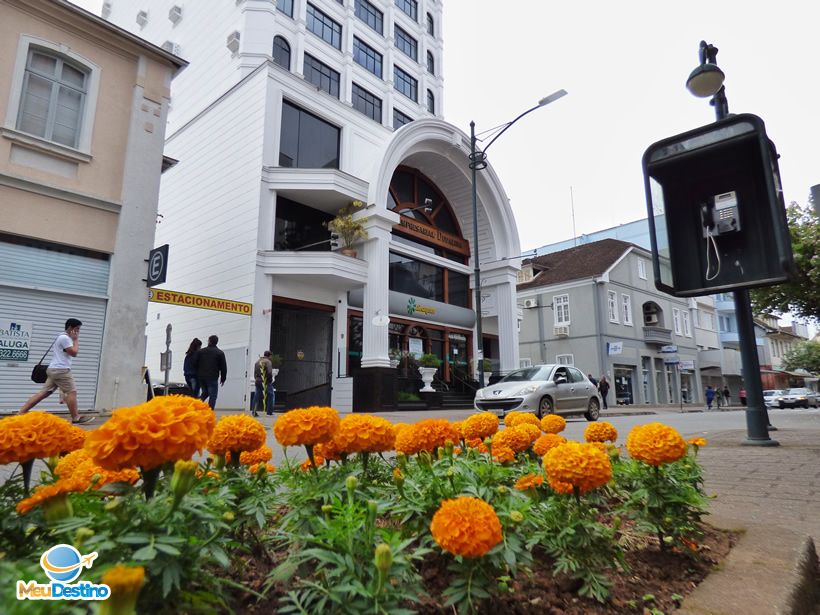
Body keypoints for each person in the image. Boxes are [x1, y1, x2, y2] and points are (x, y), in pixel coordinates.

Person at [19, 318, 93, 424]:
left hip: (54, 369)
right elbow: (74, 353)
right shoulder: (65, 338)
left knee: (43, 393)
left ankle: (20, 413)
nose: (78, 332)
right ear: (70, 328)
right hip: (61, 370)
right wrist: (76, 340)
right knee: (72, 392)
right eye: (77, 329)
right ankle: (76, 418)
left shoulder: (61, 336)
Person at [195, 335, 227, 409]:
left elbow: (195, 363)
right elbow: (223, 367)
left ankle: (195, 405)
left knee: (205, 393)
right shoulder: (220, 353)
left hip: (201, 377)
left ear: (209, 341)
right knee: (213, 395)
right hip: (212, 377)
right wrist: (223, 378)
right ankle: (209, 412)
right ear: (216, 342)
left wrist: (197, 373)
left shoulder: (201, 351)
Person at [252, 351, 275, 417]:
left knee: (256, 396)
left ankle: (254, 412)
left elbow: (255, 373)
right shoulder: (268, 362)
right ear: (269, 356)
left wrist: (256, 379)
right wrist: (269, 380)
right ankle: (269, 412)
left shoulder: (257, 362)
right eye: (271, 356)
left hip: (258, 381)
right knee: (270, 395)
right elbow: (269, 372)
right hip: (266, 381)